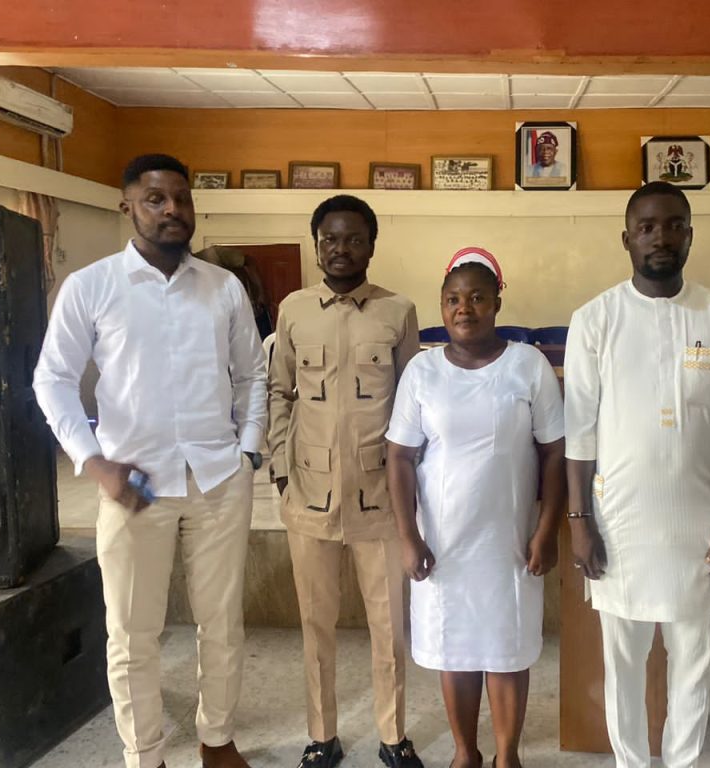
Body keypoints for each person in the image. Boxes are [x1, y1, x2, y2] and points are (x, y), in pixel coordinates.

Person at [33, 153, 267, 768]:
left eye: (181, 199)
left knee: (223, 624)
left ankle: (217, 740)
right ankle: (146, 755)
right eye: (156, 199)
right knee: (133, 634)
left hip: (218, 480)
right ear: (128, 207)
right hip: (132, 486)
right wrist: (93, 462)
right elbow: (52, 379)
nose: (172, 210)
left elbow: (253, 374)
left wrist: (247, 449)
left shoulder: (223, 287)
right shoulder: (92, 286)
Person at [565, 181, 710, 768]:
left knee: (693, 665)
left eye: (674, 225)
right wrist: (579, 521)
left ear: (690, 236)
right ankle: (630, 762)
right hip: (618, 524)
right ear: (626, 238)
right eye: (647, 227)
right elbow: (580, 434)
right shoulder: (595, 319)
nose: (661, 237)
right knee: (622, 664)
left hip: (700, 527)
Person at [386, 248, 566, 768]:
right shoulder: (422, 371)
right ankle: (465, 753)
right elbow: (399, 457)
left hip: (509, 542)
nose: (464, 308)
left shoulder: (527, 365)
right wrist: (409, 536)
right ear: (442, 306)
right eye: (452, 299)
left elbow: (555, 452)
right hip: (442, 543)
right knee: (456, 651)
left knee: (507, 650)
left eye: (477, 297)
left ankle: (507, 756)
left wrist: (546, 530)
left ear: (497, 303)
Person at [267, 194, 423, 768]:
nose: (341, 249)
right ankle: (322, 735)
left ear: (371, 246)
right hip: (308, 498)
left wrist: (411, 489)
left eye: (354, 239)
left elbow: (413, 401)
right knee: (316, 626)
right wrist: (280, 470)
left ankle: (393, 735)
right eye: (330, 239)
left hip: (380, 500)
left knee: (389, 627)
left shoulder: (397, 311)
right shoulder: (293, 310)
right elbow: (279, 391)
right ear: (316, 245)